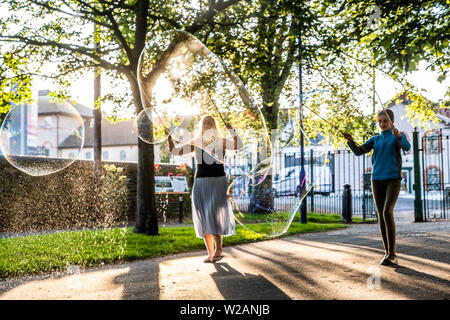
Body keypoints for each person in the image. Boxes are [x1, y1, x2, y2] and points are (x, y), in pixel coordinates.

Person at [167, 115, 243, 263]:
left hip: (217, 181)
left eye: (210, 123)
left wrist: (232, 131)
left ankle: (219, 249)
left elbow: (238, 145)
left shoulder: (220, 141)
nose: (207, 125)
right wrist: (169, 139)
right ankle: (210, 253)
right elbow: (175, 151)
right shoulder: (196, 142)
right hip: (201, 182)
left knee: (213, 215)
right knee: (203, 215)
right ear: (202, 126)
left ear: (214, 126)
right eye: (205, 123)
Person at [343, 109, 411, 266]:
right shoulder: (375, 139)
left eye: (385, 121)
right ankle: (387, 253)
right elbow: (359, 152)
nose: (382, 124)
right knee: (380, 214)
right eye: (379, 121)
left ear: (391, 122)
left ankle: (393, 253)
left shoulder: (397, 136)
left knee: (387, 211)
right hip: (376, 180)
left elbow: (407, 147)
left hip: (393, 179)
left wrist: (399, 135)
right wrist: (350, 140)